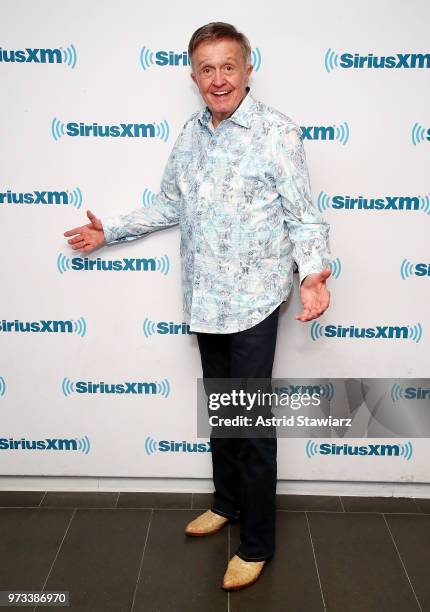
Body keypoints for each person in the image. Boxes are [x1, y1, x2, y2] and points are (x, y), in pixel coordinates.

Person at [63, 22, 331, 590]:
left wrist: (313, 274)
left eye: (228, 66)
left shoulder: (277, 133)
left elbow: (304, 216)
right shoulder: (190, 134)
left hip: (256, 301)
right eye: (206, 69)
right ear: (194, 76)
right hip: (205, 300)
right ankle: (228, 504)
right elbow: (169, 204)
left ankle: (257, 543)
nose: (218, 79)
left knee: (250, 424)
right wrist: (109, 230)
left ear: (248, 67)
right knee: (223, 416)